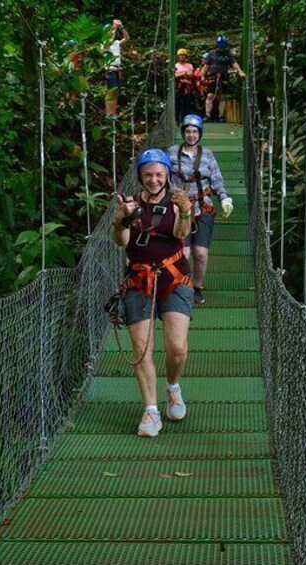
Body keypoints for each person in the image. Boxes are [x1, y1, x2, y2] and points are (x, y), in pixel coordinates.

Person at [112, 149, 194, 437]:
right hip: (139, 278)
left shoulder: (176, 202)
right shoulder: (131, 204)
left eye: (159, 174)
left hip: (174, 277)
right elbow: (120, 241)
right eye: (148, 175)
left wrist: (185, 210)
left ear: (167, 175)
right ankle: (150, 410)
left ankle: (173, 386)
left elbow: (182, 234)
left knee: (177, 347)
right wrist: (122, 218)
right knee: (141, 348)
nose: (154, 180)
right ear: (140, 177)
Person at [168, 114, 234, 304]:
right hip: (180, 209)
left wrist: (224, 198)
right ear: (183, 133)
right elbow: (161, 176)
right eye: (187, 131)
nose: (191, 135)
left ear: (200, 134)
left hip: (203, 207)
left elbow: (217, 180)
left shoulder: (207, 155)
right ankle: (182, 286)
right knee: (184, 253)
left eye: (195, 131)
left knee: (200, 253)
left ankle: (197, 287)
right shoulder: (172, 153)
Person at [201, 35, 246, 122]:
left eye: (223, 47)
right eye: (219, 46)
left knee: (222, 97)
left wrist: (240, 71)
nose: (221, 48)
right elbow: (206, 65)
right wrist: (202, 75)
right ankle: (207, 115)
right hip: (212, 77)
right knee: (210, 95)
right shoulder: (211, 53)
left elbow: (234, 63)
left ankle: (221, 116)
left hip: (223, 77)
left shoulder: (228, 54)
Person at [104, 19, 130, 116]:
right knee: (110, 91)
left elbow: (127, 38)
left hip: (117, 69)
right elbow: (109, 41)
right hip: (110, 69)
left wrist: (121, 27)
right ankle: (108, 112)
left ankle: (113, 113)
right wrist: (114, 27)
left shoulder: (116, 42)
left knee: (116, 92)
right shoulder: (105, 43)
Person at [174, 48, 196, 122]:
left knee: (187, 104)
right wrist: (185, 73)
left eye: (183, 55)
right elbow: (175, 76)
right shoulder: (175, 65)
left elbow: (191, 75)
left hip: (187, 87)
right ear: (178, 56)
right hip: (178, 87)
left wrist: (180, 74)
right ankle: (177, 120)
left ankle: (185, 120)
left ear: (186, 56)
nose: (182, 57)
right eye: (180, 55)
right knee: (178, 103)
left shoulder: (189, 65)